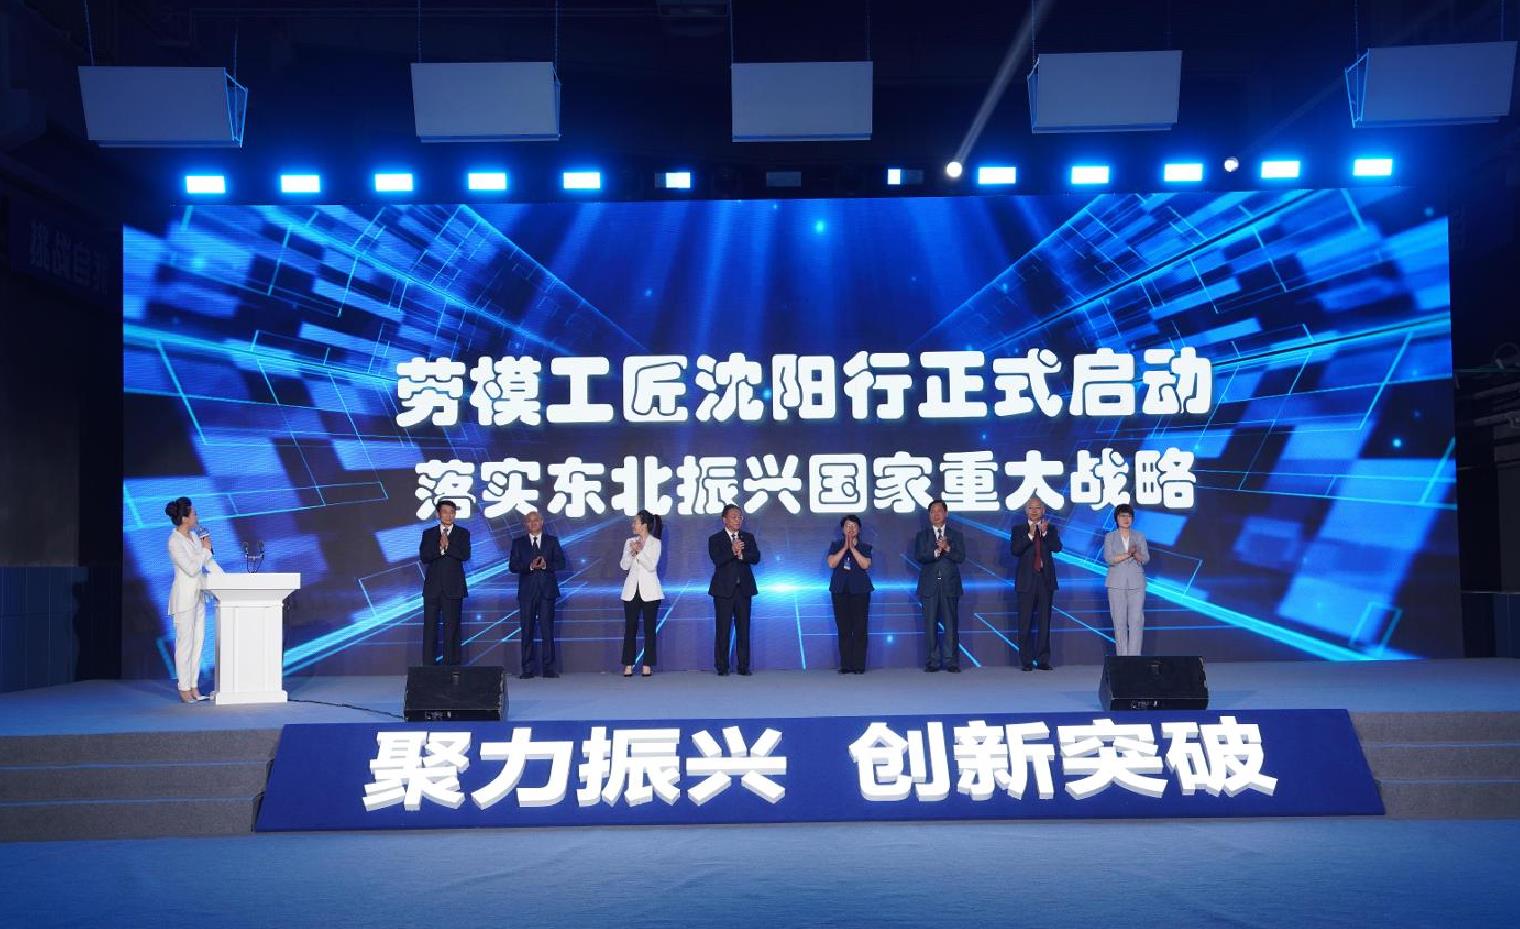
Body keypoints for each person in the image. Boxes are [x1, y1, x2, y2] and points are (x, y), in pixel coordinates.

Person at [165, 496, 222, 703]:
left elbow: (208, 563)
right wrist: (206, 551)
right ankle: (183, 687)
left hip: (199, 596)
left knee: (198, 642)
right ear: (185, 518)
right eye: (194, 513)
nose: (197, 516)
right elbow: (191, 568)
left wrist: (227, 581)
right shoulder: (174, 541)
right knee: (185, 643)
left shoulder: (195, 538)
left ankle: (194, 685)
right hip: (184, 599)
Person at [508, 510, 566, 679]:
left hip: (547, 592)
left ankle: (549, 668)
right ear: (525, 524)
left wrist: (546, 564)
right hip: (527, 593)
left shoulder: (552, 541)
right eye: (529, 521)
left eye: (536, 520)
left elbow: (561, 563)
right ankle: (527, 669)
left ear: (542, 522)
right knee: (527, 631)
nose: (533, 523)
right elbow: (513, 566)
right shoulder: (518, 542)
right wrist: (530, 566)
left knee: (547, 631)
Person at [1010, 495, 1062, 670]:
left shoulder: (1051, 529)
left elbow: (1057, 548)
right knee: (1024, 623)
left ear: (1043, 510)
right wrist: (1031, 535)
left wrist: (1044, 533)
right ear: (1026, 510)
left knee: (1044, 622)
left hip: (1045, 581)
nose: (1034, 511)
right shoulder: (1018, 530)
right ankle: (1026, 661)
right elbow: (1015, 550)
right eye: (1031, 508)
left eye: (1038, 508)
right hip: (1026, 581)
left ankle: (1043, 660)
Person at [708, 503, 761, 676]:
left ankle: (743, 666)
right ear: (725, 520)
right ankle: (722, 666)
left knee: (743, 629)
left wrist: (742, 554)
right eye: (734, 517)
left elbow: (756, 557)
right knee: (723, 629)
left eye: (740, 517)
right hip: (723, 590)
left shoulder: (748, 537)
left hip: (743, 589)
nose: (738, 520)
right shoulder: (715, 539)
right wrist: (732, 550)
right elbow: (717, 559)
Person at [913, 499, 965, 672]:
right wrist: (936, 551)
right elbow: (920, 556)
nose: (936, 514)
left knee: (951, 626)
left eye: (939, 511)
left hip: (950, 586)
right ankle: (933, 662)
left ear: (946, 513)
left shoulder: (956, 535)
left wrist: (947, 548)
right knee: (930, 626)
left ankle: (951, 662)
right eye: (932, 512)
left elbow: (961, 557)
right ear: (929, 515)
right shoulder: (922, 535)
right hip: (929, 587)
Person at [419, 499, 470, 666]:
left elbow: (465, 555)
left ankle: (451, 667)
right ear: (438, 514)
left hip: (453, 588)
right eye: (445, 512)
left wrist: (448, 547)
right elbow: (425, 557)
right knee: (430, 629)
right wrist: (440, 549)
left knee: (452, 629)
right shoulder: (429, 533)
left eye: (452, 512)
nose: (449, 515)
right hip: (432, 589)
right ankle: (428, 667)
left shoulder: (463, 533)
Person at [619, 510, 665, 678]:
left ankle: (647, 664)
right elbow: (624, 566)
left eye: (635, 522)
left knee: (649, 629)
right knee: (630, 628)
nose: (633, 525)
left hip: (650, 592)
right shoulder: (629, 542)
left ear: (644, 525)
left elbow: (651, 566)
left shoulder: (655, 543)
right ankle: (628, 664)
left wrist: (640, 552)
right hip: (631, 591)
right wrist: (632, 553)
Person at [826, 515, 874, 674]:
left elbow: (865, 564)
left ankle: (859, 665)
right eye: (847, 526)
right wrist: (844, 549)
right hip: (839, 591)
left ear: (859, 529)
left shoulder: (865, 547)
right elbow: (832, 563)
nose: (850, 529)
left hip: (860, 591)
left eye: (854, 526)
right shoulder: (835, 545)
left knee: (860, 628)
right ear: (842, 529)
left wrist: (852, 549)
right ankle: (846, 665)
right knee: (844, 628)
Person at [1104, 503, 1151, 656]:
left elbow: (1146, 559)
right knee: (1119, 622)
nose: (1126, 518)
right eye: (1122, 515)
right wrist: (1128, 554)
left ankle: (1134, 658)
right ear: (1116, 518)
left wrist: (1136, 554)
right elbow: (1109, 558)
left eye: (1129, 516)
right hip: (1116, 584)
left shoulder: (1139, 536)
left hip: (1137, 583)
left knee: (1136, 621)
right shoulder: (1110, 537)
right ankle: (1122, 659)